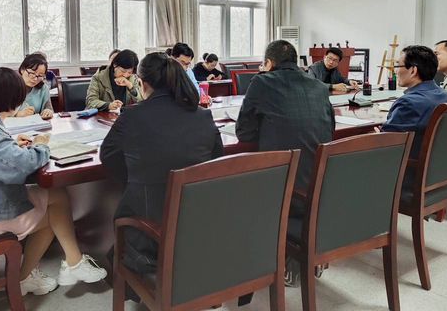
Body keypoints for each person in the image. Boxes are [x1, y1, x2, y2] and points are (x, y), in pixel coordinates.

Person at [0, 67, 106, 296]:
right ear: (11, 99)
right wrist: (40, 146)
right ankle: (32, 275)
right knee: (53, 215)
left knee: (56, 195)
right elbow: (21, 167)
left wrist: (10, 144)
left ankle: (71, 262)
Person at [100, 52, 222, 297]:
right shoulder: (202, 115)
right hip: (197, 221)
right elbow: (215, 159)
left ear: (143, 83)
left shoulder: (132, 116)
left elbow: (108, 157)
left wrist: (137, 173)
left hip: (150, 226)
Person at [236, 40, 334, 202]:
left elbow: (244, 133)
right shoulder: (320, 86)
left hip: (280, 189)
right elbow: (330, 128)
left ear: (269, 63)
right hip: (318, 188)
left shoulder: (261, 82)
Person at [381, 45, 447, 159]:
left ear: (413, 70)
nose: (396, 71)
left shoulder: (407, 103)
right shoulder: (446, 96)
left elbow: (386, 143)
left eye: (398, 66)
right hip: (438, 163)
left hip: (405, 165)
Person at [17, 54, 53, 119]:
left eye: (40, 76)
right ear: (22, 69)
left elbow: (49, 108)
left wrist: (48, 111)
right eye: (32, 73)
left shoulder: (43, 89)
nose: (35, 79)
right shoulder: (9, 87)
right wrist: (17, 115)